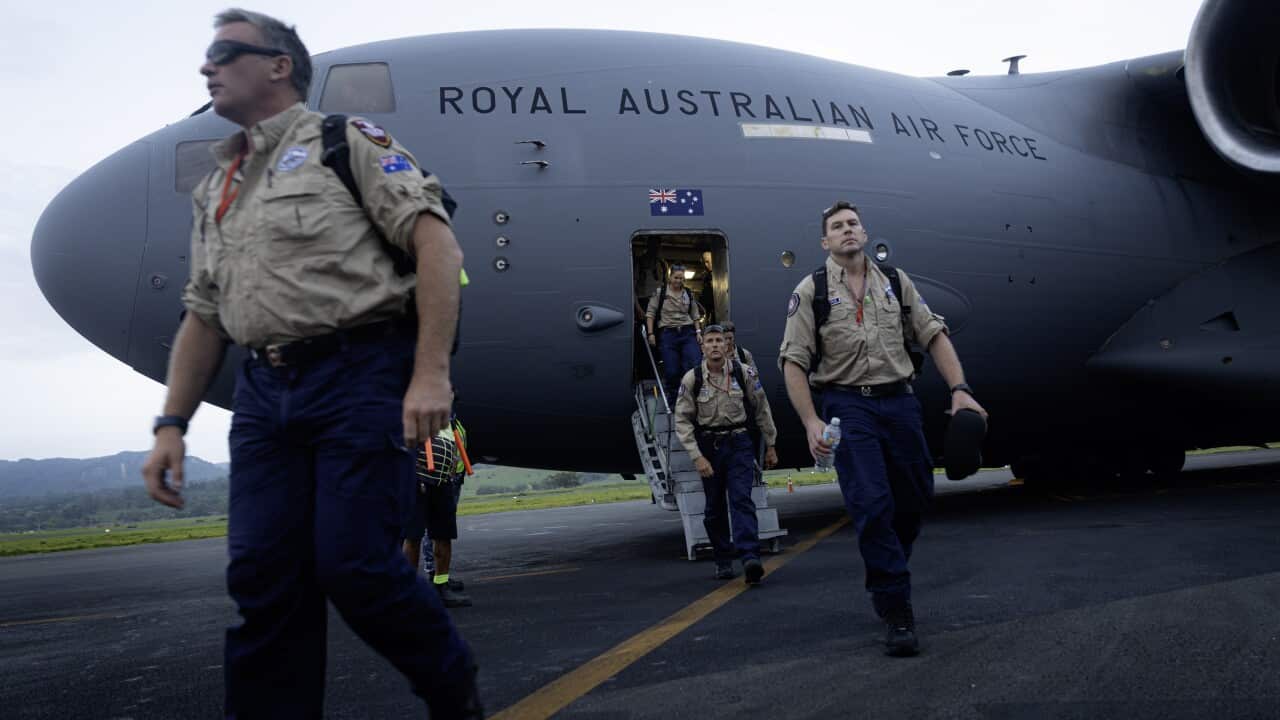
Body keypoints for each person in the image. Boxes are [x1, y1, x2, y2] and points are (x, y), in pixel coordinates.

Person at [139, 9, 481, 717]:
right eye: (207, 55)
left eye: (225, 53)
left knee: (355, 565)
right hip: (265, 392)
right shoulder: (218, 187)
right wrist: (171, 423)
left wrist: (430, 372)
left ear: (278, 66)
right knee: (263, 578)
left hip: (357, 374)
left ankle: (453, 693)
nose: (209, 67)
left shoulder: (345, 143)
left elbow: (436, 245)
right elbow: (204, 315)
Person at [778, 200, 987, 657]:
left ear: (864, 231)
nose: (847, 230)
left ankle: (886, 567)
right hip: (848, 405)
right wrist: (811, 420)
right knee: (872, 504)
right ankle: (896, 609)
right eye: (837, 226)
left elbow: (933, 334)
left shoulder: (895, 282)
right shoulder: (811, 290)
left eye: (853, 223)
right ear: (825, 241)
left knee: (914, 499)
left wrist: (960, 388)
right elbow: (792, 361)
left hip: (900, 402)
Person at [674, 325, 779, 584]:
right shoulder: (692, 379)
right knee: (714, 508)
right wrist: (697, 456)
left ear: (727, 345)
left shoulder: (744, 374)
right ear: (703, 346)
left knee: (741, 499)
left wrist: (771, 443)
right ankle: (722, 558)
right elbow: (682, 421)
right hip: (710, 447)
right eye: (709, 341)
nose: (714, 345)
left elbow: (761, 408)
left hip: (739, 443)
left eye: (719, 340)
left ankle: (750, 557)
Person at [403, 417, 473, 608]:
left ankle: (441, 587)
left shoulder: (451, 423)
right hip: (418, 483)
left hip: (443, 485)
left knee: (444, 535)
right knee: (413, 536)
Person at [646, 263, 703, 402]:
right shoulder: (661, 293)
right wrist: (650, 333)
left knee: (694, 364)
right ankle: (674, 401)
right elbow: (650, 314)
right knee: (672, 371)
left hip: (687, 332)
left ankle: (691, 398)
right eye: (676, 278)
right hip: (668, 334)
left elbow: (695, 314)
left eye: (682, 279)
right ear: (670, 277)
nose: (679, 281)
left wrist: (698, 332)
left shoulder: (688, 293)